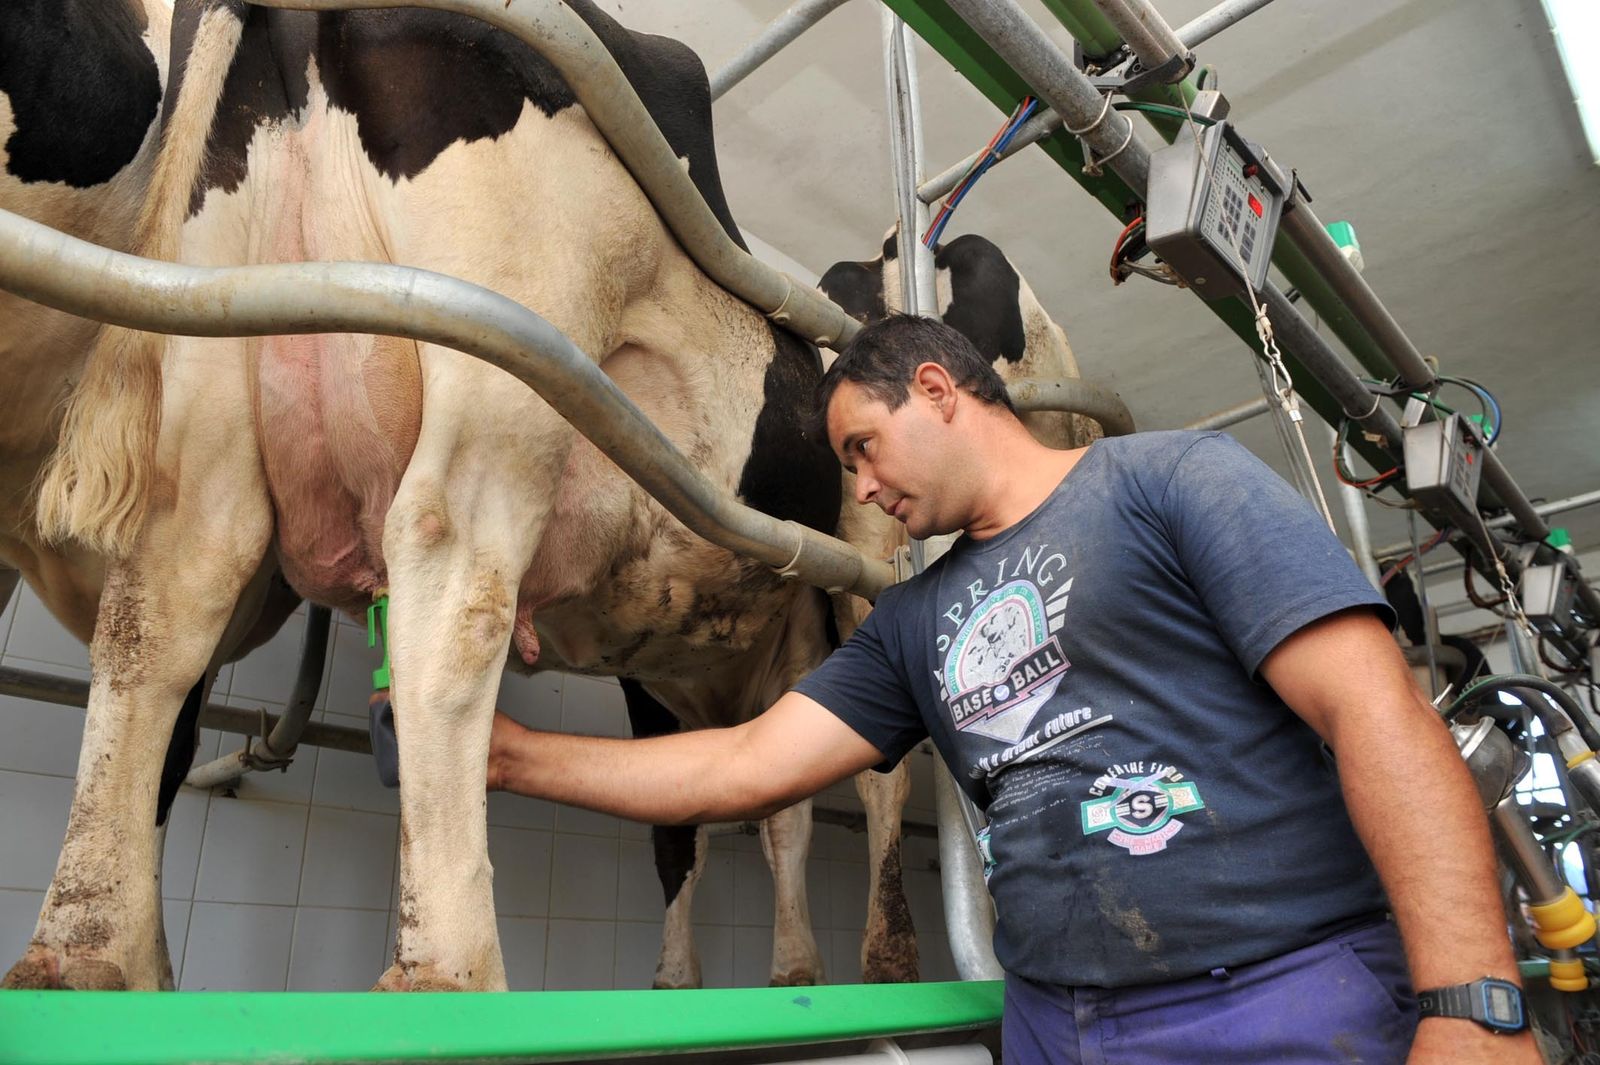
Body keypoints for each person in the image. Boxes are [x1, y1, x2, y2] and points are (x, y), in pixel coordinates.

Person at [488, 315, 1538, 1064]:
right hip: (1057, 1021)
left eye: (862, 446)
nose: (858, 487)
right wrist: (507, 756)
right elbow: (741, 761)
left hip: (1279, 997)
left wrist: (1472, 1000)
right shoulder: (907, 622)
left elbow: (1375, 712)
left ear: (939, 391)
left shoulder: (1170, 482)